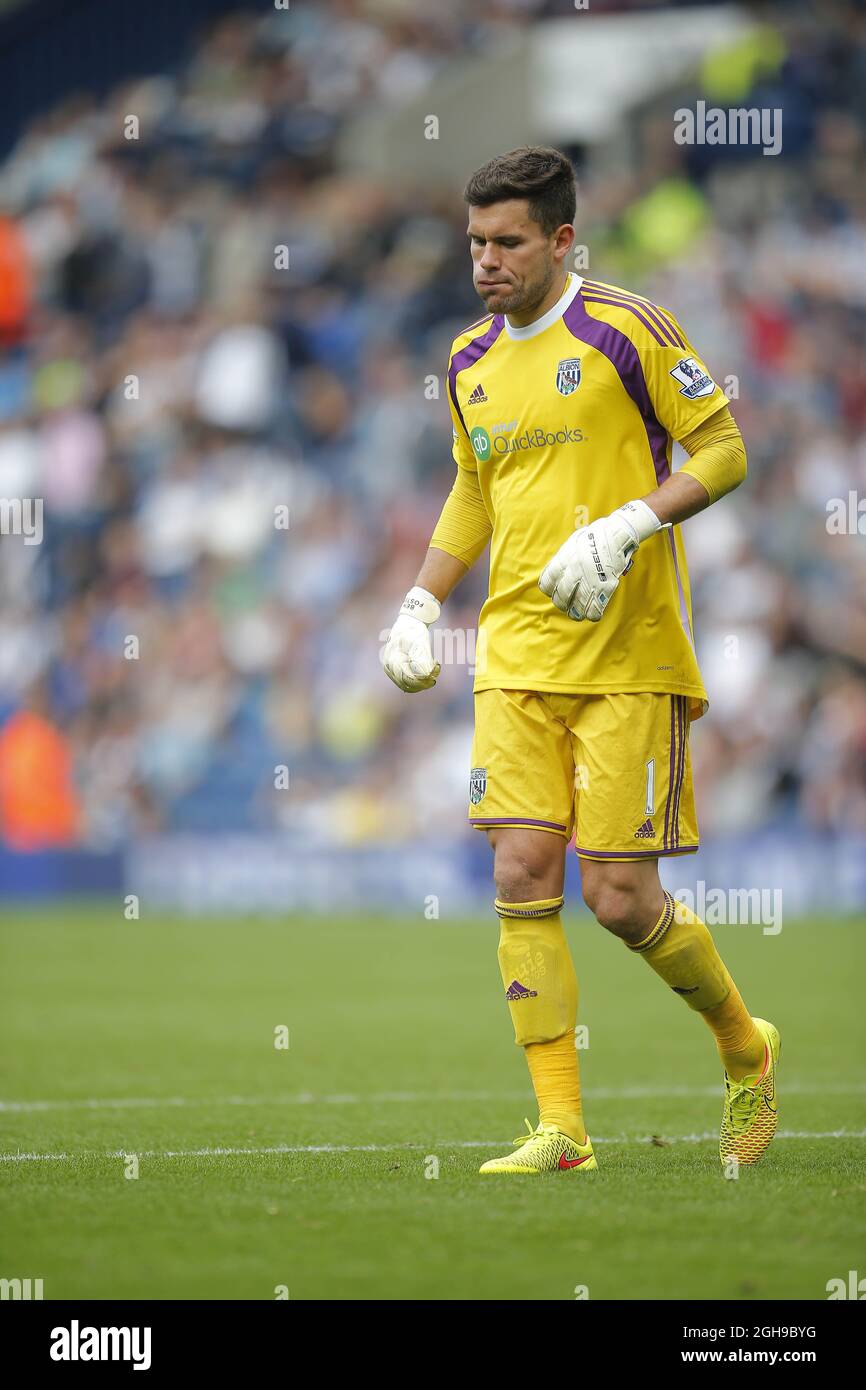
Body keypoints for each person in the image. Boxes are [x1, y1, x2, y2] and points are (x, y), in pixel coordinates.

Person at [382, 146, 778, 1176]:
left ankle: (744, 1045)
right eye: (474, 242)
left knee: (616, 897)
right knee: (518, 868)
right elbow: (474, 488)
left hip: (627, 654)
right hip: (512, 652)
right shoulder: (467, 360)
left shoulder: (626, 327)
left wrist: (628, 526)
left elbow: (723, 448)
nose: (485, 262)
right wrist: (422, 597)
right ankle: (561, 1128)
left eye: (507, 241)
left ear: (561, 239)